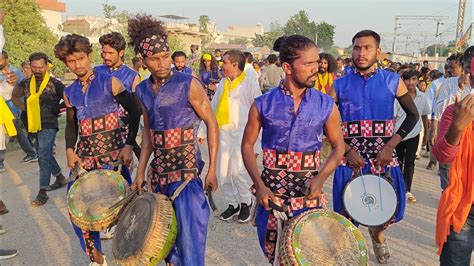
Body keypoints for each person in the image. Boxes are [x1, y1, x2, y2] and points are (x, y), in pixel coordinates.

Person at [241, 35, 345, 264]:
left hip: (308, 199)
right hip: (272, 199)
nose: (316, 69)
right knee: (275, 257)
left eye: (316, 62)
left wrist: (320, 179)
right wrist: (260, 186)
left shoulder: (326, 105)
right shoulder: (263, 104)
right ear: (287, 67)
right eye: (308, 64)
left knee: (307, 257)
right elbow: (247, 145)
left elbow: (339, 147)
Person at [128, 14, 218, 266]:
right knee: (166, 243)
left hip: (187, 175)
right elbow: (147, 133)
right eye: (155, 59)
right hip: (160, 176)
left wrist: (211, 169)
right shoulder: (142, 90)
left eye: (165, 56)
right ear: (144, 61)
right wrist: (141, 170)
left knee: (191, 243)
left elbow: (212, 123)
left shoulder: (188, 84)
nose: (163, 62)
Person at [327, 30, 419, 264]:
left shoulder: (392, 80)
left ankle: (378, 237)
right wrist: (347, 150)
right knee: (346, 213)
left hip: (383, 157)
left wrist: (391, 145)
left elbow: (412, 116)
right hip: (350, 158)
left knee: (382, 207)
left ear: (378, 51)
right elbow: (325, 122)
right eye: (357, 48)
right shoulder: (339, 84)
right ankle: (347, 253)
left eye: (367, 47)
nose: (361, 52)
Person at [54, 33, 140, 265]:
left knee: (126, 209)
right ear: (65, 64)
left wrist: (129, 144)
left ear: (89, 56)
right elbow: (71, 126)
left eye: (81, 58)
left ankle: (134, 255)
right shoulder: (69, 92)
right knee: (79, 210)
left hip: (113, 157)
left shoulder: (109, 82)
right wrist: (70, 150)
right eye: (71, 61)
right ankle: (96, 258)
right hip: (86, 159)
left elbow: (135, 111)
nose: (77, 65)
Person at [198, 50, 261, 223]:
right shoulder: (223, 84)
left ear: (234, 64)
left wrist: (257, 141)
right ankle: (233, 204)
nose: (221, 65)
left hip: (242, 136)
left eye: (224, 62)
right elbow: (212, 108)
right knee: (222, 171)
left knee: (238, 170)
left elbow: (259, 111)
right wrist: (203, 130)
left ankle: (246, 202)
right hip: (223, 136)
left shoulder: (249, 83)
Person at [433, 45, 473, 266]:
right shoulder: (456, 110)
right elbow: (442, 155)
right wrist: (457, 127)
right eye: (469, 69)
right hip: (462, 208)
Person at [12, 52, 67, 206]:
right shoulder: (25, 83)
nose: (37, 70)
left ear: (46, 66)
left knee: (43, 156)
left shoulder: (55, 84)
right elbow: (15, 96)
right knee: (45, 153)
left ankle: (42, 192)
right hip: (30, 125)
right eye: (34, 67)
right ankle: (60, 177)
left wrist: (58, 108)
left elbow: (70, 99)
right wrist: (25, 109)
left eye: (40, 67)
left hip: (48, 125)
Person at [95, 32, 142, 164]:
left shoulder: (132, 76)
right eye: (104, 53)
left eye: (110, 53)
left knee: (119, 174)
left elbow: (137, 109)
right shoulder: (96, 72)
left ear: (121, 53)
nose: (106, 56)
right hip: (98, 129)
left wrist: (122, 122)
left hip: (122, 131)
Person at [394, 69, 430, 204]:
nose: (410, 82)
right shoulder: (398, 97)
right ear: (403, 80)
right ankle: (396, 187)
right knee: (397, 162)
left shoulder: (423, 97)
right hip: (397, 135)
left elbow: (425, 116)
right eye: (407, 79)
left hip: (414, 134)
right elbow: (393, 117)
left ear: (418, 80)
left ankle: (407, 189)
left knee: (409, 163)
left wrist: (426, 133)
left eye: (414, 79)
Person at [0, 50, 38, 164]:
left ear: (6, 59)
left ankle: (32, 153)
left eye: (1, 59)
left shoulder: (15, 72)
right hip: (3, 108)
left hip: (12, 107)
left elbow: (23, 88)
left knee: (14, 131)